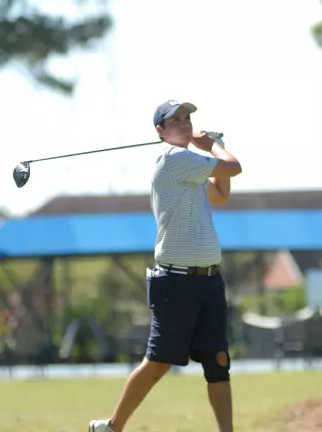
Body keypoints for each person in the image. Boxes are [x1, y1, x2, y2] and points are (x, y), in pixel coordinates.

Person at [88, 100, 243, 432]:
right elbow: (234, 168)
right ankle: (112, 428)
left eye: (188, 119)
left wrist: (217, 148)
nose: (185, 124)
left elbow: (220, 194)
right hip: (177, 281)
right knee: (158, 363)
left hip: (209, 280)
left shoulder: (191, 166)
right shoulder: (174, 159)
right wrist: (213, 145)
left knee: (218, 362)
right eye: (176, 120)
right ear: (160, 131)